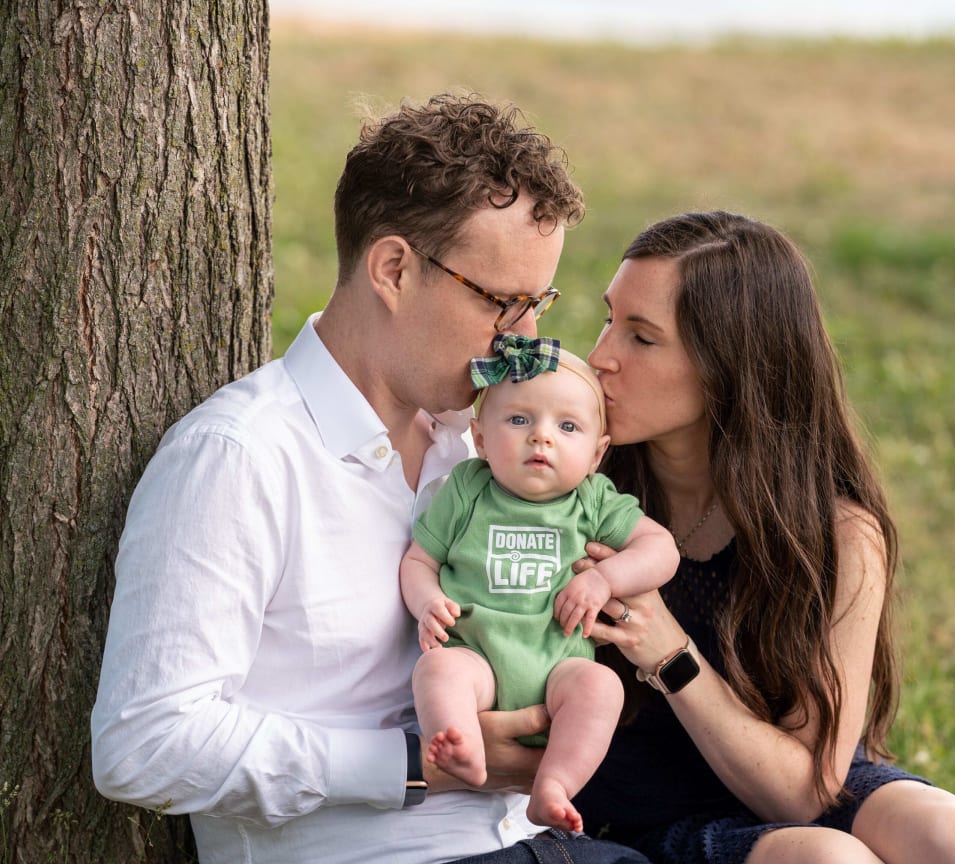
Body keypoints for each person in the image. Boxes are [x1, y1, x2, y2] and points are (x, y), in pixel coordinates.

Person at [90, 94, 647, 864]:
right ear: (393, 269)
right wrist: (416, 769)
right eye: (504, 303)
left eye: (537, 304)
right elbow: (143, 744)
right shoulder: (240, 457)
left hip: (544, 843)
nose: (525, 340)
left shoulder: (484, 444)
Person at [570, 211, 955, 864]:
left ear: (727, 366)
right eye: (609, 319)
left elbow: (805, 792)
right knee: (831, 860)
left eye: (642, 338)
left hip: (794, 783)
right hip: (651, 820)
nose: (600, 358)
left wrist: (670, 653)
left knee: (948, 834)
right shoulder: (576, 495)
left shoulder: (836, 534)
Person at [402, 339, 679, 834]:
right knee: (439, 669)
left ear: (596, 454)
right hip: (478, 656)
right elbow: (419, 560)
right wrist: (427, 602)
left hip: (558, 668)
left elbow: (661, 550)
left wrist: (604, 578)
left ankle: (553, 784)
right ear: (480, 438)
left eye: (567, 427)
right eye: (519, 420)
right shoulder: (468, 488)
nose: (541, 438)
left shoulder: (593, 501)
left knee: (601, 687)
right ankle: (461, 747)